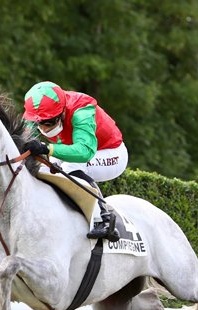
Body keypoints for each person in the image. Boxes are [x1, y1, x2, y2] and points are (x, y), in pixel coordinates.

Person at [21, 81, 128, 242]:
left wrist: (46, 148)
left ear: (62, 111)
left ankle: (104, 218)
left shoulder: (81, 111)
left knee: (71, 166)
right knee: (42, 169)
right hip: (75, 148)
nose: (43, 129)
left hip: (110, 152)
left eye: (48, 122)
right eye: (39, 123)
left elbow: (84, 152)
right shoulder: (36, 111)